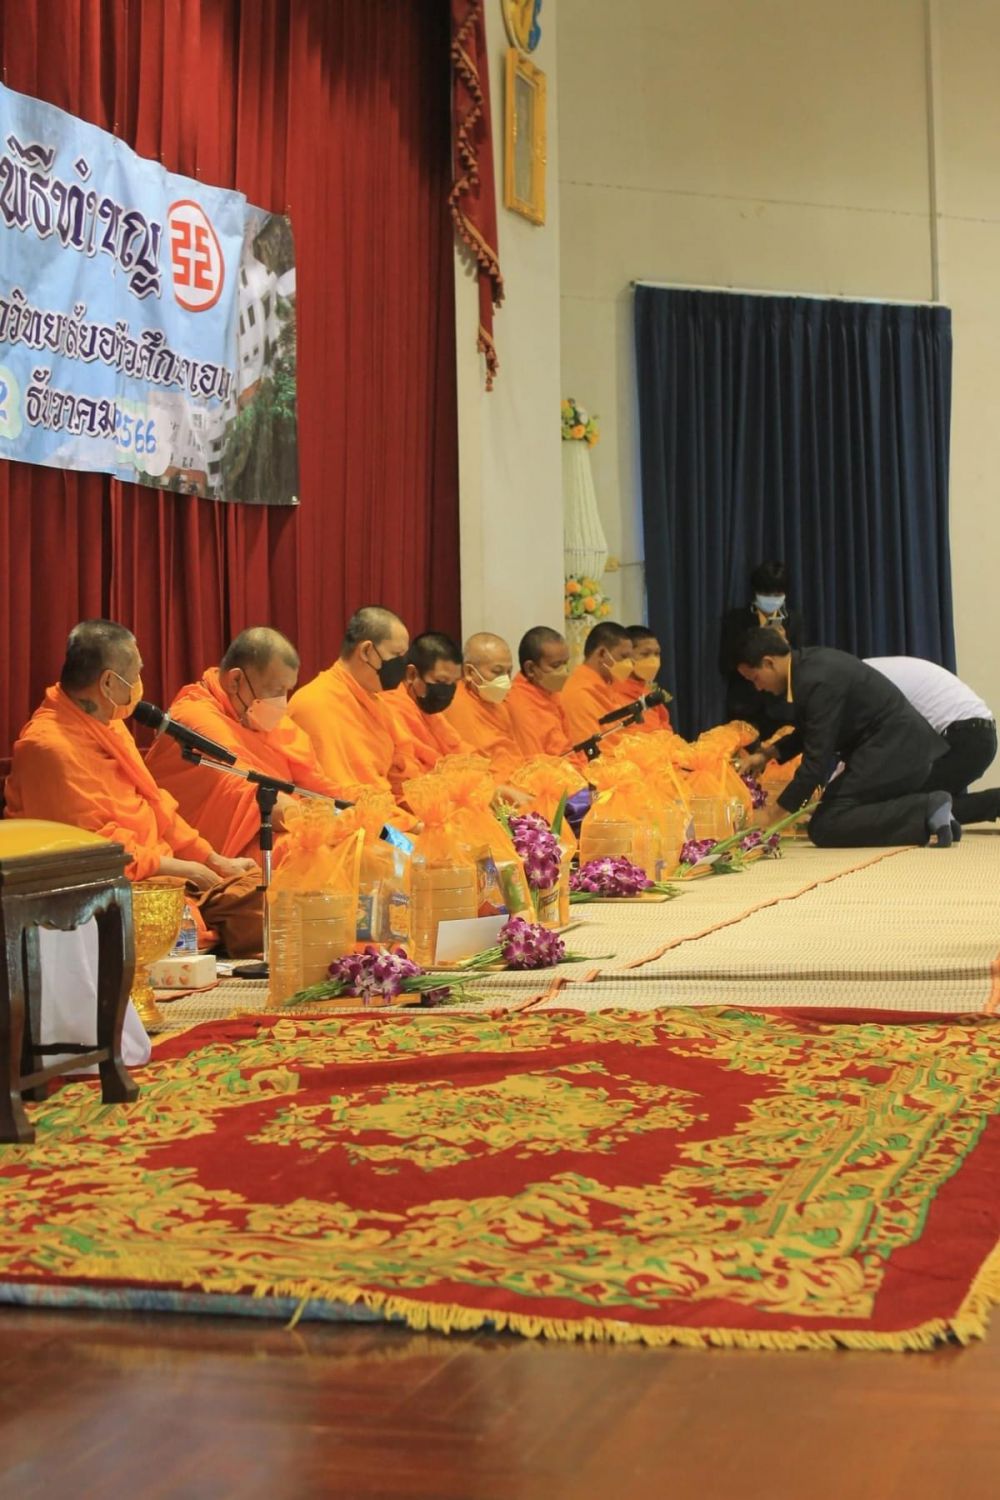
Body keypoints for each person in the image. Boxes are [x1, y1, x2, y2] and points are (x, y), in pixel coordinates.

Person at [4, 620, 263, 955]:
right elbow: (96, 853)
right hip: (107, 893)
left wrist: (214, 860)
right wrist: (186, 870)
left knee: (268, 893)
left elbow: (156, 807)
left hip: (163, 874)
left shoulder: (109, 724)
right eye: (136, 674)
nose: (140, 684)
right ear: (109, 682)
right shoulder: (47, 749)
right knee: (249, 915)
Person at [736, 628, 955, 848]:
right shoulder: (809, 668)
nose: (758, 687)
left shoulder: (816, 681)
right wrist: (765, 755)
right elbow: (809, 733)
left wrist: (771, 815)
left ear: (769, 663)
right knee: (832, 815)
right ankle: (929, 812)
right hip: (898, 750)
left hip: (896, 752)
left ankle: (926, 809)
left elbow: (815, 763)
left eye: (755, 678)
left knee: (827, 824)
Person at [145, 627, 345, 863]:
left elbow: (316, 785)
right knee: (316, 853)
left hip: (270, 829)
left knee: (354, 843)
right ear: (235, 680)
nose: (282, 702)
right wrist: (326, 825)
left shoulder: (265, 719)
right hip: (217, 849)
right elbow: (254, 795)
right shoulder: (195, 719)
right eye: (276, 690)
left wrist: (353, 816)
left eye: (287, 691)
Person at [287, 605, 416, 817]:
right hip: (349, 825)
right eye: (396, 655)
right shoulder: (314, 704)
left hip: (388, 818)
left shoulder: (379, 704)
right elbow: (336, 798)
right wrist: (405, 824)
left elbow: (400, 775)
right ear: (366, 651)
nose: (402, 666)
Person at [865, 656, 1000, 824]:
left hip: (964, 736)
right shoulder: (865, 672)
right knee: (925, 807)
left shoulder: (860, 681)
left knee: (907, 807)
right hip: (974, 734)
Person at [719, 561, 803, 735]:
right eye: (766, 593)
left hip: (782, 709)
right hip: (745, 707)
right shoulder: (737, 619)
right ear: (756, 593)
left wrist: (785, 645)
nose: (772, 598)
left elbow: (801, 665)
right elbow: (725, 663)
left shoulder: (794, 621)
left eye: (777, 593)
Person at [382, 632, 466, 789]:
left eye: (454, 682)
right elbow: (407, 779)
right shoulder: (389, 711)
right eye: (441, 681)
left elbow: (460, 754)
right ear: (412, 674)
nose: (448, 690)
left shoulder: (432, 713)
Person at [444, 631, 522, 779]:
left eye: (509, 672)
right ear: (469, 672)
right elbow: (468, 769)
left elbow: (510, 753)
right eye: (497, 672)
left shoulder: (499, 703)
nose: (505, 679)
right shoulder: (455, 704)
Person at [560, 621, 635, 747]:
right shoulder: (579, 694)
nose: (629, 665)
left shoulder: (608, 686)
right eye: (623, 656)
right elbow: (590, 750)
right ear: (602, 653)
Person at [507, 626, 576, 758]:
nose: (564, 672)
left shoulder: (552, 692)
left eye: (565, 664)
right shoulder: (519, 704)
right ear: (530, 669)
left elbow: (570, 744)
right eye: (556, 665)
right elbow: (535, 761)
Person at [618, 625, 672, 733]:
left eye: (657, 654)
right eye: (645, 654)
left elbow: (666, 731)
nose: (654, 661)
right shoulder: (611, 695)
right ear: (625, 656)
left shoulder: (650, 696)